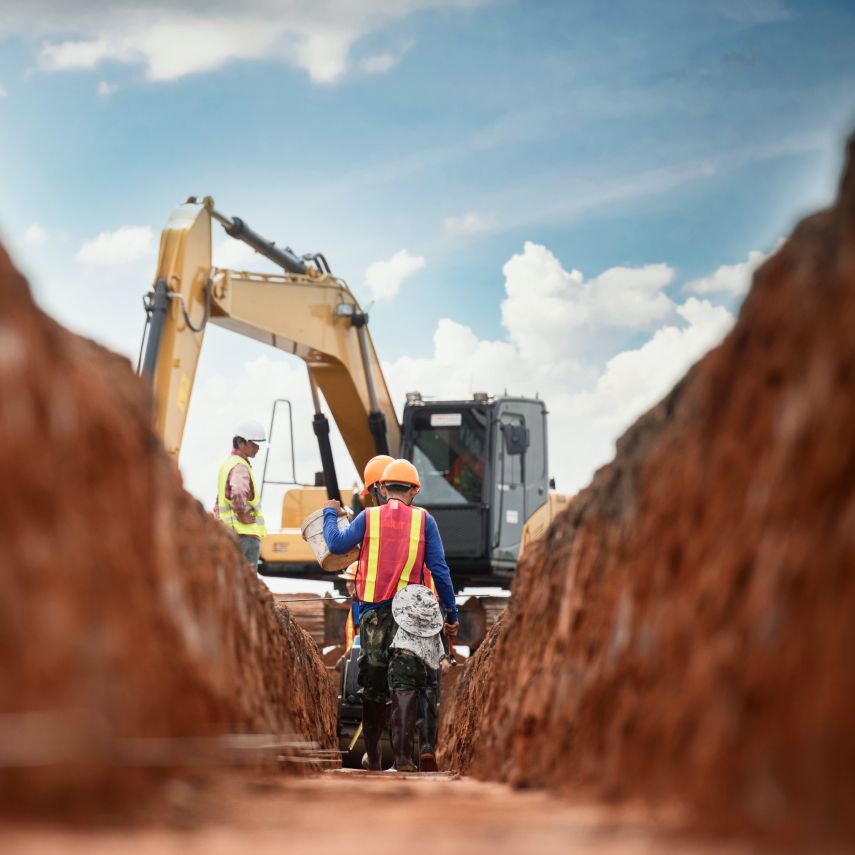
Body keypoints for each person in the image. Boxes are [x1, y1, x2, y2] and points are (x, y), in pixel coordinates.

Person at [322, 458, 459, 772]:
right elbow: (440, 570)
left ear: (382, 488)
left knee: (373, 685)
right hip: (410, 616)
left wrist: (330, 513)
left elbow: (336, 544)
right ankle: (404, 759)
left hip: (373, 616)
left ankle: (373, 756)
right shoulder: (425, 521)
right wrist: (452, 612)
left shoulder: (368, 517)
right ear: (415, 490)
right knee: (405, 682)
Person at [214, 419, 268, 570]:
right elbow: (238, 491)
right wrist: (242, 514)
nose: (258, 448)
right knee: (246, 580)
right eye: (254, 443)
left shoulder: (228, 464)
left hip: (231, 534)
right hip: (244, 535)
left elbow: (220, 499)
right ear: (240, 442)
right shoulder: (240, 466)